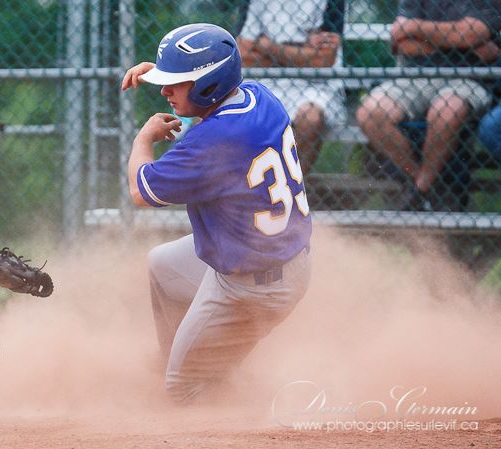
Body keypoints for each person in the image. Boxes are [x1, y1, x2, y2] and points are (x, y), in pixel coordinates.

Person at [120, 23, 312, 404]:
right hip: (267, 262)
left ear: (209, 83)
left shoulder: (215, 143)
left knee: (182, 389)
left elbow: (140, 190)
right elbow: (211, 112)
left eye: (175, 82)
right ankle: (195, 359)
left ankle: (211, 394)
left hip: (251, 288)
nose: (164, 91)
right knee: (162, 264)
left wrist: (144, 138)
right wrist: (167, 71)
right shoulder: (258, 95)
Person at [356, 0, 501, 210]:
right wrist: (461, 43)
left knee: (446, 111)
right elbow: (401, 42)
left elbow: (472, 33)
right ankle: (423, 185)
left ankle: (420, 191)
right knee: (371, 113)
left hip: (469, 77)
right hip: (416, 75)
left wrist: (415, 29)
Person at [237, 0, 346, 174]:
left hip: (316, 84)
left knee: (310, 117)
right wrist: (303, 52)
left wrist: (267, 46)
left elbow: (323, 60)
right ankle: (252, 190)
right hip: (264, 81)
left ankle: (290, 191)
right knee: (232, 111)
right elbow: (243, 55)